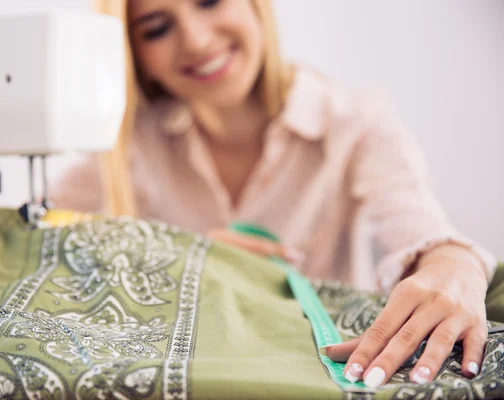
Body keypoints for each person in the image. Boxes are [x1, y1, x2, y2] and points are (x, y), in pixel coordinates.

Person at [50, 0, 497, 390]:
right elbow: (33, 245)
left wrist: (453, 264)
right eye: (157, 28)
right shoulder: (126, 150)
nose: (197, 40)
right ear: (136, 53)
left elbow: (417, 223)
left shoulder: (355, 125)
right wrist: (172, 259)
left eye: (210, 0)